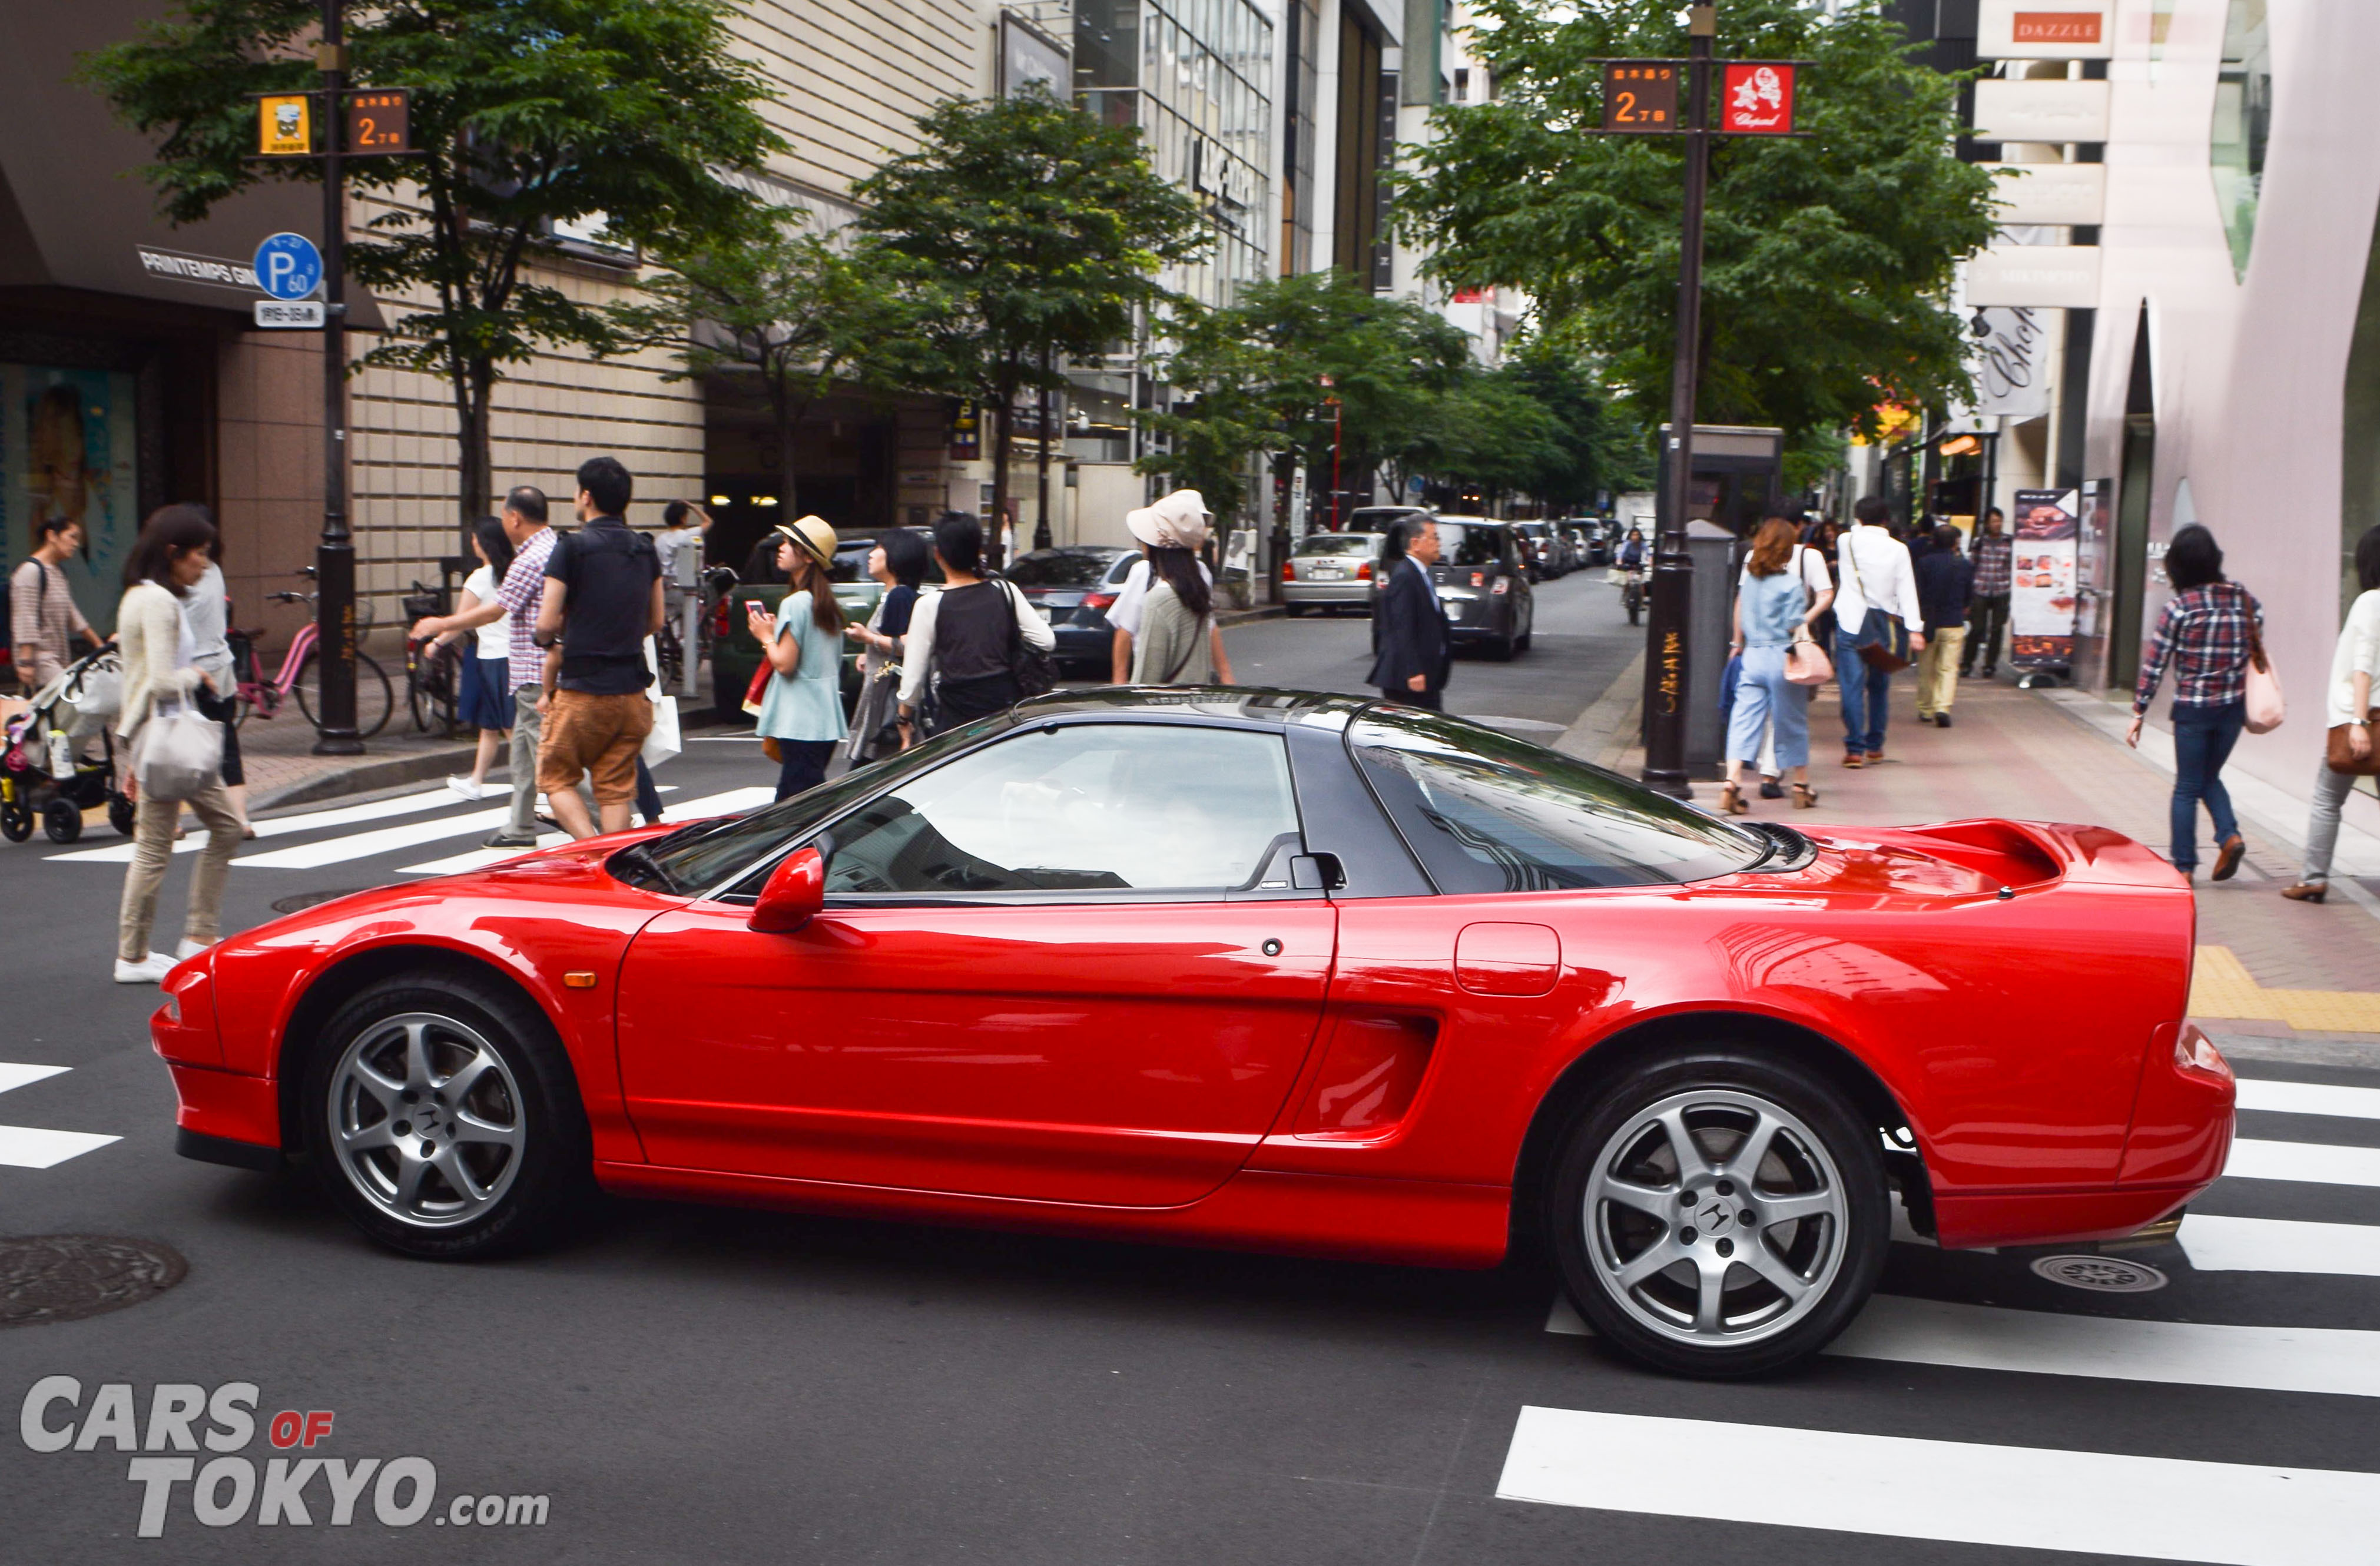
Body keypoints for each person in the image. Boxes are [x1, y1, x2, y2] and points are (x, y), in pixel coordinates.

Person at [112, 506, 242, 984]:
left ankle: (194, 937)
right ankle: (134, 955)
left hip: (162, 737)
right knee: (155, 848)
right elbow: (163, 681)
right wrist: (197, 675)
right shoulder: (160, 604)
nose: (205, 565)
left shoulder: (139, 597)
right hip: (170, 738)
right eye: (200, 554)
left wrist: (130, 749)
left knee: (222, 827)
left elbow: (140, 680)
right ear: (173, 553)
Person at [412, 486, 553, 849]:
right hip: (530, 670)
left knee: (544, 753)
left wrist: (439, 624)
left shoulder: (531, 557)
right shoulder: (550, 549)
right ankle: (520, 826)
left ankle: (603, 819)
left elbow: (496, 610)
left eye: (505, 514)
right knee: (521, 749)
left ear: (515, 517)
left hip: (533, 672)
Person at [533, 456, 662, 839]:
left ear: (586, 496)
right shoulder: (644, 548)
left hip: (583, 690)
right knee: (615, 789)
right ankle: (612, 859)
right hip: (632, 692)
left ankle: (594, 854)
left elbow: (546, 622)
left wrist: (548, 640)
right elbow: (655, 622)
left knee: (556, 778)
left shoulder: (571, 548)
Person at [2127, 523, 2260, 881]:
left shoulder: (2179, 609)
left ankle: (2184, 867)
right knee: (2208, 776)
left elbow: (2154, 664)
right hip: (2232, 709)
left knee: (2188, 786)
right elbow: (2255, 638)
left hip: (2193, 710)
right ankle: (2229, 836)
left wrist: (2139, 710)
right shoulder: (2245, 602)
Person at [2284, 526, 2380, 902]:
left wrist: (2358, 723)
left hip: (2360, 720)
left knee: (2327, 797)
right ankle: (2313, 877)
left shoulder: (2370, 602)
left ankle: (2313, 878)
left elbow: (2363, 666)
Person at [899, 512, 1055, 738]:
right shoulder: (1004, 591)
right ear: (978, 552)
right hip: (1005, 706)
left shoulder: (930, 604)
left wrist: (903, 717)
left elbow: (912, 681)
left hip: (957, 713)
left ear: (938, 554)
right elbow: (1047, 641)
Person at [1721, 516, 1834, 814]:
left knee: (1743, 720)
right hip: (1781, 657)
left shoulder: (1751, 582)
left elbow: (1741, 613)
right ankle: (1801, 785)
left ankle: (1732, 782)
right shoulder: (1790, 584)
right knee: (1791, 721)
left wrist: (1737, 644)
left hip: (1752, 657)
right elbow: (1793, 623)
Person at [748, 517, 850, 798]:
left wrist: (765, 636)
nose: (781, 548)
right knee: (806, 800)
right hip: (824, 719)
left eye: (788, 544)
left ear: (806, 556)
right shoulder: (824, 603)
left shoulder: (795, 602)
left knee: (796, 808)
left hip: (799, 720)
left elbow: (785, 664)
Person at [1834, 496, 1926, 767]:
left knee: (1851, 687)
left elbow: (1854, 533)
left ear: (1858, 518)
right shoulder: (1898, 549)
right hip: (1884, 626)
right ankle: (1875, 745)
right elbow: (1907, 590)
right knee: (1878, 687)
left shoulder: (1845, 541)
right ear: (1886, 519)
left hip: (1851, 622)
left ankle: (1854, 749)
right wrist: (1915, 630)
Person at [432, 516, 515, 801]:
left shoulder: (480, 578)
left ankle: (540, 785)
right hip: (509, 655)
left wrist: (436, 642)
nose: (473, 544)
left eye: (475, 539)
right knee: (492, 726)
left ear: (484, 543)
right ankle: (476, 781)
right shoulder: (513, 572)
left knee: (509, 727)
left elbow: (459, 622)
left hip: (495, 659)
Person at [178, 527, 253, 838]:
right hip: (221, 666)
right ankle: (240, 819)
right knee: (225, 745)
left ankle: (169, 820)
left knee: (180, 747)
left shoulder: (175, 583)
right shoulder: (216, 571)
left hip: (194, 672)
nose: (201, 562)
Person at [1109, 490, 1220, 684]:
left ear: (1154, 547)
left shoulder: (1159, 600)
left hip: (1164, 709)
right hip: (1194, 704)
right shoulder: (1196, 592)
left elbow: (1148, 678)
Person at [843, 527, 928, 762]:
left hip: (888, 703)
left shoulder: (900, 596)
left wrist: (868, 639)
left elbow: (908, 646)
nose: (871, 554)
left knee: (869, 775)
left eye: (879, 548)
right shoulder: (898, 595)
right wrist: (868, 652)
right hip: (884, 697)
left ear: (897, 557)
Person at [1368, 515, 1451, 710]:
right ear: (1416, 543)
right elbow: (1402, 627)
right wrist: (1413, 670)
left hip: (1426, 676)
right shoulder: (1405, 576)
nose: (1439, 543)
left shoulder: (1421, 574)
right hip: (1408, 680)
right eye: (1434, 537)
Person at [11, 515, 101, 692]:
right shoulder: (30, 571)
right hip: (40, 661)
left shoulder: (58, 572)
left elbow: (72, 614)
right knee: (75, 698)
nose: (76, 544)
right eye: (72, 537)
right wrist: (25, 662)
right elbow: (25, 617)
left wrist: (100, 645)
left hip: (59, 657)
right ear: (52, 536)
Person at [1912, 523, 1974, 728]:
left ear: (1934, 540)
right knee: (1948, 668)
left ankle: (1925, 709)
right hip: (1954, 621)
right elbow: (1968, 596)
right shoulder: (1964, 565)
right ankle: (1943, 707)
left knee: (1926, 668)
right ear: (1956, 542)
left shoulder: (1924, 563)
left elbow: (1918, 594)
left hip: (1929, 623)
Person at [657, 499, 710, 698]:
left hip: (666, 588)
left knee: (669, 621)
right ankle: (686, 652)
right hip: (684, 588)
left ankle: (670, 656)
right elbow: (708, 523)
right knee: (689, 624)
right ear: (683, 517)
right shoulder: (688, 535)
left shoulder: (660, 539)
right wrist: (694, 506)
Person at [1962, 507, 2013, 679]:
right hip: (1981, 589)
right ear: (1987, 523)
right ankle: (1967, 663)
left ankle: (1990, 665)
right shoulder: (1979, 542)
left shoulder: (2009, 542)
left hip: (2002, 589)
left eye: (1999, 521)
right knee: (1977, 628)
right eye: (1993, 521)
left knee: (1997, 629)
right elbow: (1972, 565)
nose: (1997, 524)